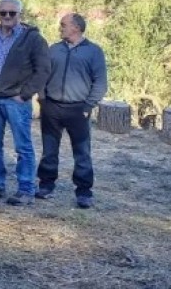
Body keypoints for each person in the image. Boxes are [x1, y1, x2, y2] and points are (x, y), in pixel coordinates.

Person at [0, 0, 51, 206]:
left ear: (19, 14)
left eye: (12, 13)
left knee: (23, 146)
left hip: (15, 101)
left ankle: (26, 189)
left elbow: (43, 70)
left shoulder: (32, 38)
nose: (7, 16)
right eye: (3, 13)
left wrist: (25, 94)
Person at [36, 13, 107, 209]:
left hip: (78, 109)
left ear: (76, 27)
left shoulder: (93, 52)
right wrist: (42, 98)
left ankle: (84, 192)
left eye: (64, 25)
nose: (60, 28)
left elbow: (100, 82)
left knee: (82, 152)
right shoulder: (54, 50)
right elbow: (42, 74)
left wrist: (88, 107)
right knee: (49, 150)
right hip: (52, 107)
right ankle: (46, 185)